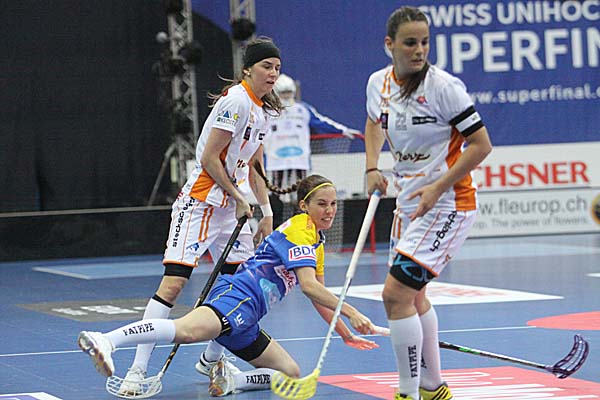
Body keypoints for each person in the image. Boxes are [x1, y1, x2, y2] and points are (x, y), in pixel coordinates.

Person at [78, 174, 383, 397]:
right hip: (237, 298)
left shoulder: (316, 241)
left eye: (333, 204)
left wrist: (346, 333)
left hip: (249, 318)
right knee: (184, 331)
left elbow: (320, 297)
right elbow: (309, 287)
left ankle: (231, 380)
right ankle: (107, 340)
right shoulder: (300, 230)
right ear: (304, 205)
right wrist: (353, 312)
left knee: (290, 373)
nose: (329, 210)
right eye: (322, 204)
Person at [113, 36, 282, 395]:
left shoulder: (264, 111)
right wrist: (238, 197)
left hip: (232, 210)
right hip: (201, 204)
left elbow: (255, 165)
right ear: (247, 70)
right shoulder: (235, 101)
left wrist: (266, 211)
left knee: (237, 287)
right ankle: (137, 370)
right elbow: (208, 159)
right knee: (173, 285)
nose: (273, 73)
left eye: (277, 68)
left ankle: (211, 359)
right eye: (266, 66)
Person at [364, 7, 493, 400]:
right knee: (414, 296)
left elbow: (481, 145)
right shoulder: (378, 83)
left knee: (395, 295)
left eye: (424, 42)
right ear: (389, 45)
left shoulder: (444, 87)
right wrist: (371, 166)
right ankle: (433, 388)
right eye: (410, 43)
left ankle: (407, 393)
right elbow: (374, 122)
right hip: (408, 203)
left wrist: (438, 187)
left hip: (449, 203)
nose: (419, 50)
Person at [264, 73, 360, 211]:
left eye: (288, 93)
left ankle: (300, 217)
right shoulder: (267, 110)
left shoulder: (303, 109)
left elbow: (321, 121)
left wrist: (343, 130)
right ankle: (274, 220)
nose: (286, 96)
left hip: (299, 159)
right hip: (275, 160)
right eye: (283, 93)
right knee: (275, 190)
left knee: (301, 190)